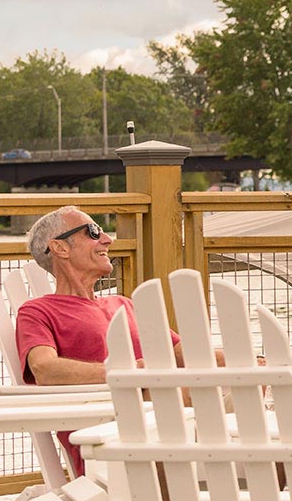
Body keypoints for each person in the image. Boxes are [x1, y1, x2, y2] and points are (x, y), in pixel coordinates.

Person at [18, 204, 185, 477]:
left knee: (268, 406)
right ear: (60, 248)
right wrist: (129, 373)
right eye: (93, 231)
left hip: (173, 422)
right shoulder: (38, 311)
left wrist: (255, 361)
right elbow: (44, 369)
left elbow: (185, 354)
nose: (107, 239)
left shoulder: (123, 305)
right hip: (108, 441)